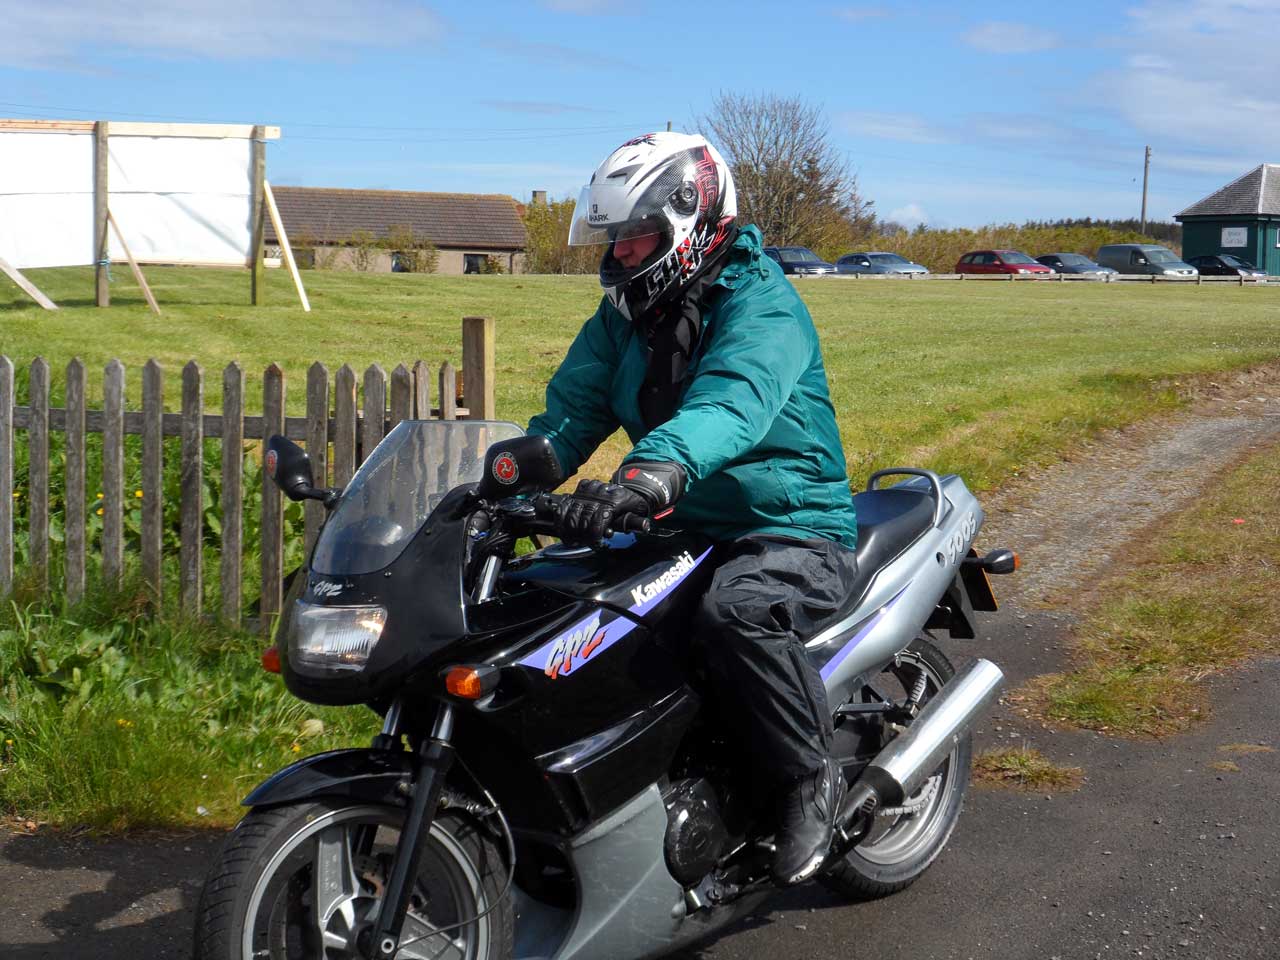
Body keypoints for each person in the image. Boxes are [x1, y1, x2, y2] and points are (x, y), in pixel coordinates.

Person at [528, 131, 859, 885]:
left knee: (735, 614)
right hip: (682, 516)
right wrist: (505, 478)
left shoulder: (763, 303)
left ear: (690, 220)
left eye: (637, 237)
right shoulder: (625, 317)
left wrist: (652, 472)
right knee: (581, 614)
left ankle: (810, 781)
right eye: (614, 241)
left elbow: (731, 403)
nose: (621, 257)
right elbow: (570, 416)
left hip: (788, 523)